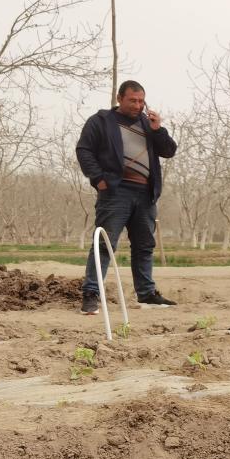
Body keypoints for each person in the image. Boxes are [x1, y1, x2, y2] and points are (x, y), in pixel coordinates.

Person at [76, 80, 178, 314]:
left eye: (141, 101)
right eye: (132, 100)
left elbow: (169, 151)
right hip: (115, 192)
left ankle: (146, 294)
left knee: (144, 245)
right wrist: (98, 179)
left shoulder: (148, 124)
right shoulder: (101, 121)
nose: (137, 105)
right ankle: (91, 294)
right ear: (119, 98)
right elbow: (84, 150)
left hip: (145, 194)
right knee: (105, 244)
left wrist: (158, 129)